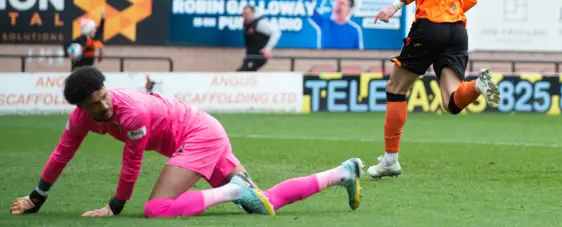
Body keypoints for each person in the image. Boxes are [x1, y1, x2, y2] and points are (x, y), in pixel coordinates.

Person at [9, 67, 363, 218]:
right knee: (263, 203)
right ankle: (342, 172)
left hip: (199, 136)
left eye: (103, 96)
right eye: (93, 104)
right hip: (203, 131)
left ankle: (233, 190)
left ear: (106, 88)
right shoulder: (80, 119)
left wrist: (114, 207)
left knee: (155, 209)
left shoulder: (131, 111)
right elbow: (61, 155)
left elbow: (132, 163)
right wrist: (36, 198)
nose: (102, 106)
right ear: (81, 108)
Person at [368, 0, 501, 179]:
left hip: (431, 26)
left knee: (395, 89)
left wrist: (395, 5)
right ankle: (477, 85)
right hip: (457, 30)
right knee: (451, 101)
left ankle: (390, 160)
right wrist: (449, 13)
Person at [236, 5, 281, 72]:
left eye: (247, 14)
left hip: (258, 55)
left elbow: (276, 32)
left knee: (245, 72)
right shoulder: (246, 24)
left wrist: (268, 49)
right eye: (244, 14)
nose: (245, 16)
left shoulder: (259, 23)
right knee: (242, 72)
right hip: (250, 56)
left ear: (253, 13)